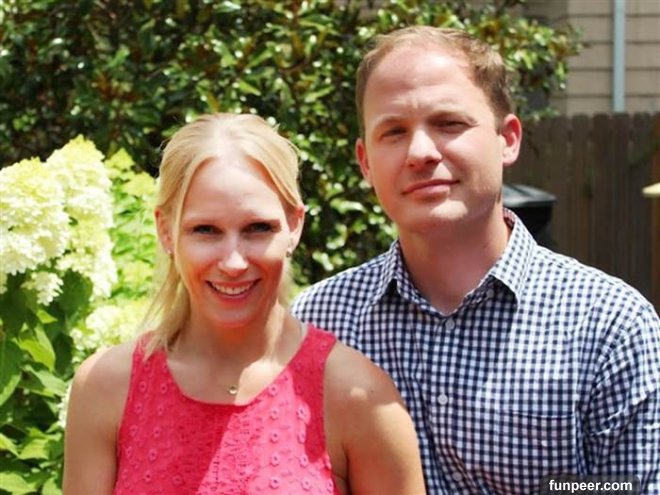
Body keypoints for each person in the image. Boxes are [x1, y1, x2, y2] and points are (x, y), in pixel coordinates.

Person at [291, 26, 660, 494]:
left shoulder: (610, 327)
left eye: (449, 123)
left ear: (508, 139)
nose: (420, 152)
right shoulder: (318, 324)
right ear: (365, 162)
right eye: (394, 131)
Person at [62, 113, 426, 495]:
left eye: (257, 228)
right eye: (205, 230)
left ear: (294, 226)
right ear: (166, 231)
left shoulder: (357, 395)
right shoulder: (106, 387)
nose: (233, 262)